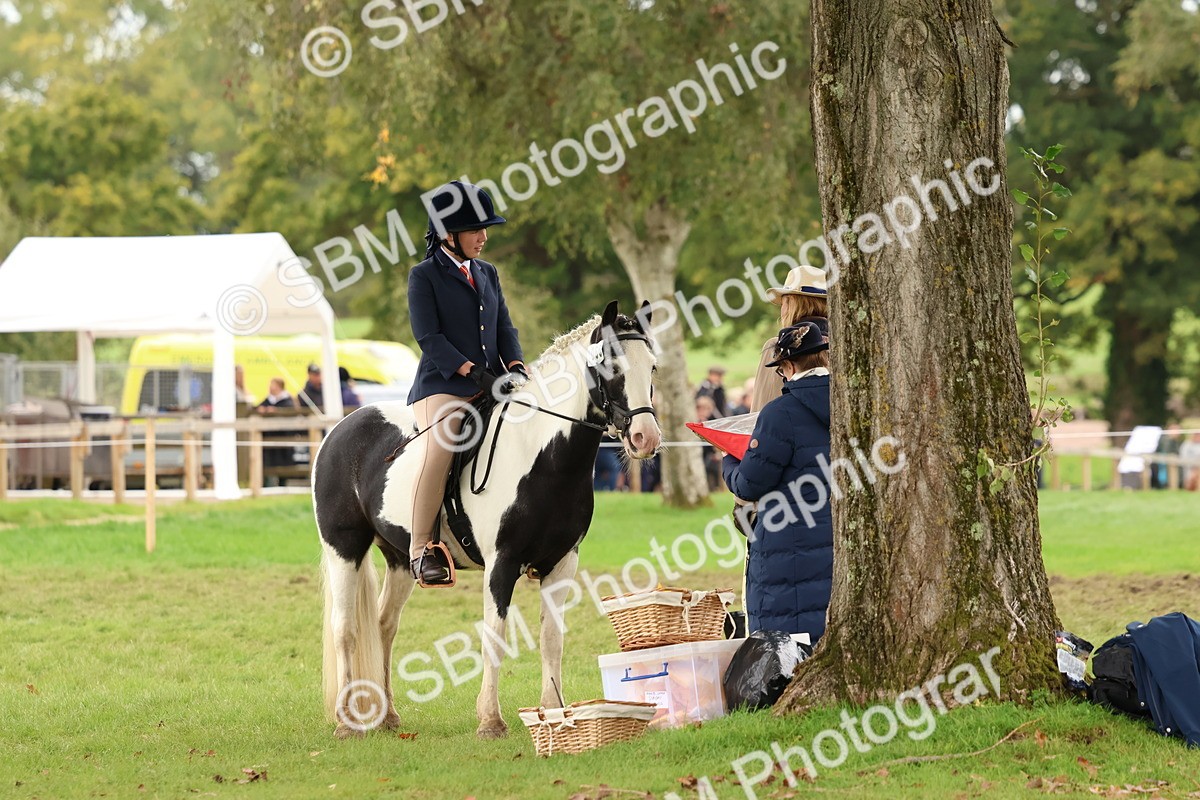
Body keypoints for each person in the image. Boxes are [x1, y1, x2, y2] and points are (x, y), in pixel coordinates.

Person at [406, 180, 527, 587]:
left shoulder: (487, 273)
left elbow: (504, 326)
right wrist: (471, 371)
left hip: (493, 382)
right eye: (476, 229)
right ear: (447, 234)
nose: (484, 237)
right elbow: (429, 338)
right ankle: (422, 549)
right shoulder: (424, 276)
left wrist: (516, 366)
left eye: (485, 228)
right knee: (445, 442)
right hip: (444, 385)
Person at [722, 321, 832, 641]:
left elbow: (749, 485)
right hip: (835, 533)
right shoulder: (853, 402)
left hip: (787, 539)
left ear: (787, 365)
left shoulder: (778, 413)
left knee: (785, 640)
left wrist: (729, 461)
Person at [750, 265, 829, 412]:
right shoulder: (846, 347)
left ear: (791, 303)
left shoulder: (778, 347)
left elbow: (761, 410)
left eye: (783, 302)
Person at [695, 394, 722, 491]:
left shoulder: (713, 424)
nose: (703, 411)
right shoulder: (692, 422)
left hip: (708, 457)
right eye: (700, 408)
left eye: (706, 409)